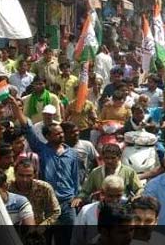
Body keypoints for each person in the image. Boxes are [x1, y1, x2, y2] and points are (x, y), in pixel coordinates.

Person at [12, 99, 78, 242]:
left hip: (67, 204)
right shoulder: (41, 149)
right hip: (46, 206)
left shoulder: (72, 153)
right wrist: (17, 109)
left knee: (66, 240)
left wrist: (76, 196)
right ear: (47, 136)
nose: (61, 135)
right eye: (57, 134)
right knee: (43, 239)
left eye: (61, 133)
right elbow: (27, 128)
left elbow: (75, 178)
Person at [72, 143, 143, 207]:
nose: (109, 161)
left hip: (122, 207)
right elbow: (85, 191)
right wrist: (79, 198)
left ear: (119, 157)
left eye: (113, 158)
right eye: (106, 158)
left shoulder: (129, 172)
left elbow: (139, 188)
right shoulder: (96, 172)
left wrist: (137, 196)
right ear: (102, 157)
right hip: (101, 207)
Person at [72, 175, 127, 245]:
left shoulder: (128, 210)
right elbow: (77, 239)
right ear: (102, 193)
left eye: (118, 196)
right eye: (110, 196)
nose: (115, 200)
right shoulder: (87, 211)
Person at [9, 159, 61, 226]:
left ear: (34, 175)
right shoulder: (7, 188)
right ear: (15, 174)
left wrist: (42, 227)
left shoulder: (44, 188)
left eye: (29, 176)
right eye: (21, 175)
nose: (24, 179)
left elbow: (55, 211)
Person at [61, 121, 98, 186]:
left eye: (77, 131)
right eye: (71, 132)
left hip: (83, 185)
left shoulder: (87, 145)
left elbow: (96, 162)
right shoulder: (59, 148)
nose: (76, 133)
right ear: (63, 134)